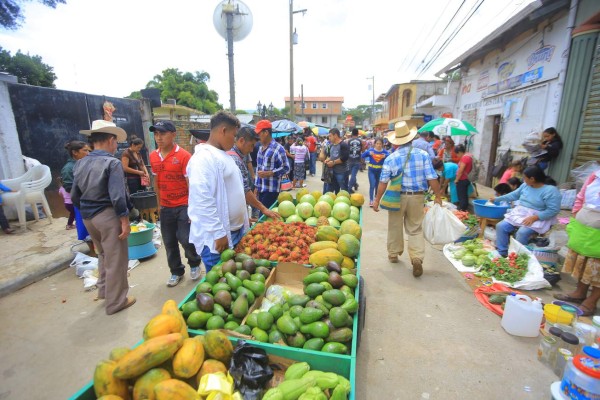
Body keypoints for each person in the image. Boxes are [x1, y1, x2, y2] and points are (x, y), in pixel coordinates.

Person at [71, 120, 135, 315]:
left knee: (103, 254)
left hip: (88, 217)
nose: (116, 147)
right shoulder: (111, 162)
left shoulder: (81, 163)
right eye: (116, 142)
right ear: (110, 140)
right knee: (116, 259)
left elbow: (74, 195)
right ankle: (116, 302)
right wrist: (124, 220)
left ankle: (105, 291)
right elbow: (117, 196)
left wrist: (87, 211)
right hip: (108, 216)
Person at [373, 121, 443, 277]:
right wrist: (438, 196)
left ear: (396, 140)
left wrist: (377, 199)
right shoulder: (423, 155)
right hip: (417, 196)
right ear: (411, 138)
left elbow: (383, 182)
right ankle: (417, 257)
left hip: (396, 197)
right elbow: (432, 178)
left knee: (394, 225)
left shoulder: (391, 158)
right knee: (415, 228)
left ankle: (393, 254)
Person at [188, 111, 249, 272]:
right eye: (234, 135)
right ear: (223, 130)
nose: (235, 140)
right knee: (220, 282)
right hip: (217, 239)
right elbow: (201, 198)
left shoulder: (223, 155)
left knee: (232, 280)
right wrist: (217, 232)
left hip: (233, 233)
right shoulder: (203, 158)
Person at [148, 120, 202, 287]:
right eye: (156, 134)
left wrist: (193, 209)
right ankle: (176, 271)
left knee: (185, 238)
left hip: (183, 205)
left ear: (173, 134)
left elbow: (190, 184)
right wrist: (158, 205)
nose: (159, 137)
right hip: (165, 206)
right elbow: (156, 181)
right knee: (169, 241)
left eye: (162, 133)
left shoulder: (184, 156)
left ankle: (194, 263)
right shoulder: (153, 156)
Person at [553, 170, 600, 316]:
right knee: (584, 262)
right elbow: (581, 196)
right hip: (584, 224)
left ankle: (591, 302)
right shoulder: (595, 175)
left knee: (597, 267)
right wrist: (575, 214)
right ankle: (580, 293)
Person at [490, 166, 561, 257]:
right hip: (521, 213)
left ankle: (518, 257)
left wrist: (535, 217)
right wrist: (497, 199)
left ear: (532, 179)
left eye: (524, 178)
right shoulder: (525, 186)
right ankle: (502, 252)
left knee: (522, 232)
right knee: (501, 226)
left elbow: (553, 210)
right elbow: (514, 195)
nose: (523, 180)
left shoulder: (550, 191)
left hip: (539, 217)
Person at [228, 127, 280, 221]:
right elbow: (244, 189)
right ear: (242, 140)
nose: (252, 150)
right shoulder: (235, 160)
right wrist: (263, 209)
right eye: (251, 145)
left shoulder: (237, 154)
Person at [61, 140, 94, 254]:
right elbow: (69, 187)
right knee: (87, 230)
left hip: (91, 201)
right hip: (82, 203)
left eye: (88, 150)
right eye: (85, 150)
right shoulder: (68, 168)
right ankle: (94, 252)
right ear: (75, 152)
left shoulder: (84, 163)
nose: (88, 153)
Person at [255, 120, 290, 211]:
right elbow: (258, 170)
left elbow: (286, 168)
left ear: (266, 132)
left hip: (272, 191)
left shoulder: (278, 148)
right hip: (261, 189)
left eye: (259, 133)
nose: (258, 136)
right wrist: (256, 187)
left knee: (266, 218)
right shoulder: (260, 149)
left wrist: (270, 173)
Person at [361, 137, 389, 207]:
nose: (378, 145)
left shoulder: (384, 152)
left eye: (380, 144)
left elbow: (391, 156)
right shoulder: (371, 150)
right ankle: (371, 200)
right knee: (372, 185)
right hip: (371, 170)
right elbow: (362, 156)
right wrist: (368, 152)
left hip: (380, 171)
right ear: (374, 144)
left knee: (378, 186)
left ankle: (376, 199)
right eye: (377, 143)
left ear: (382, 144)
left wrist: (385, 156)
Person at [324, 128, 350, 194]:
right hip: (332, 172)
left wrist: (333, 162)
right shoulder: (331, 145)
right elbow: (332, 156)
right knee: (331, 190)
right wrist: (327, 160)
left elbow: (344, 158)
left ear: (335, 135)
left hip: (342, 172)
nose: (329, 138)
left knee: (344, 190)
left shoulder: (343, 145)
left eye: (330, 136)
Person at [454, 144, 472, 211]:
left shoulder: (465, 158)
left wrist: (456, 179)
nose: (457, 156)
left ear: (460, 152)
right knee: (464, 195)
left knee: (462, 196)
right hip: (465, 178)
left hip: (462, 179)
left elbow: (461, 170)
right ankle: (464, 209)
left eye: (457, 154)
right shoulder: (469, 155)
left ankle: (462, 209)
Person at [347, 128, 363, 193]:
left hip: (350, 160)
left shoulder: (349, 141)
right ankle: (352, 186)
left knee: (351, 175)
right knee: (353, 175)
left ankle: (351, 187)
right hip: (357, 160)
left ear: (352, 133)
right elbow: (361, 150)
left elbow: (347, 150)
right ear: (357, 133)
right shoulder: (360, 141)